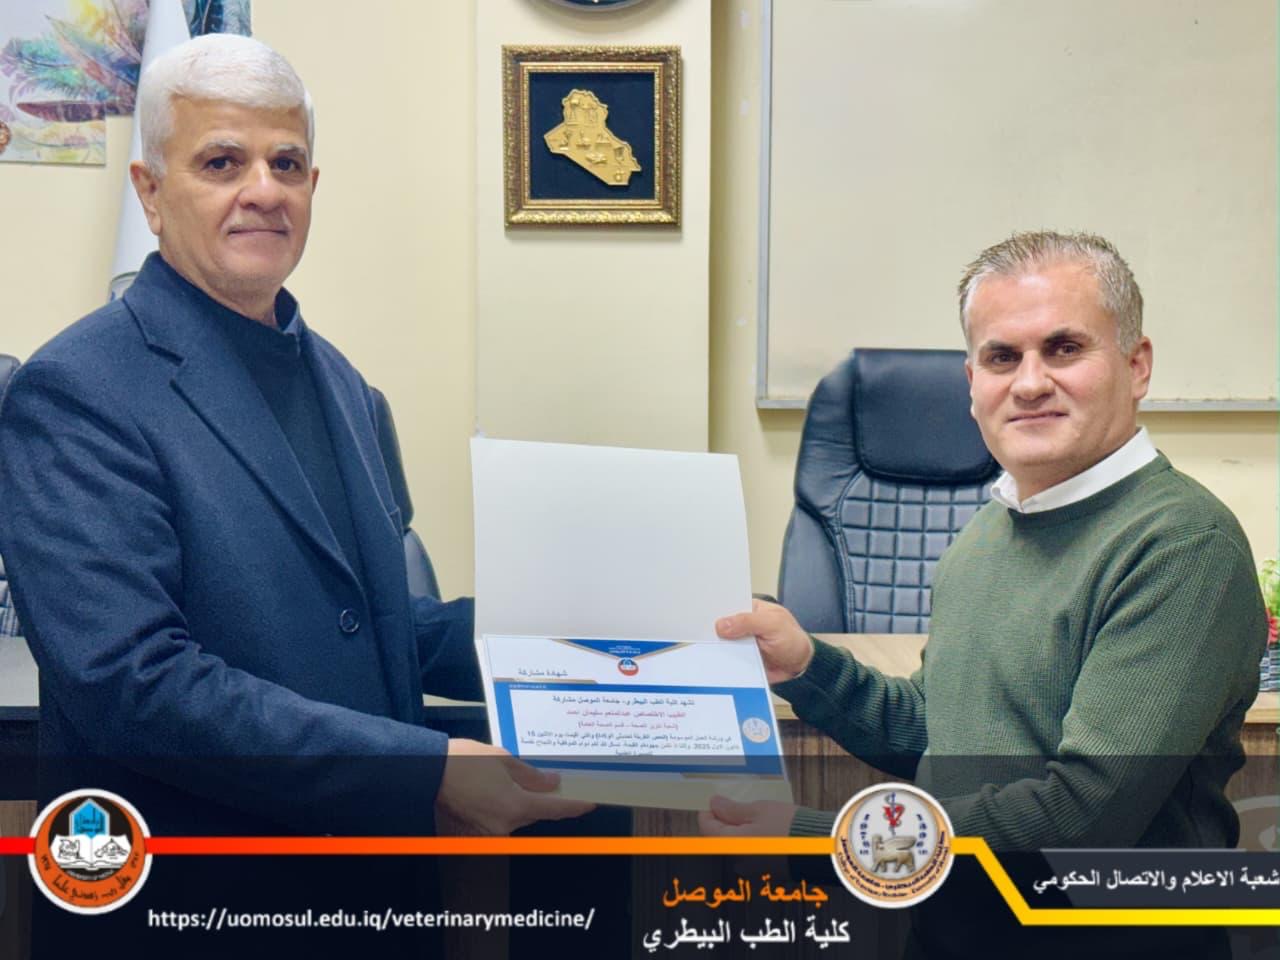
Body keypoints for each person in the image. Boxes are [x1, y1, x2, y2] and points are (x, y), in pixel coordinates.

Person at [0, 34, 592, 842]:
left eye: (286, 164)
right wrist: (418, 773)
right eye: (221, 163)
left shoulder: (343, 383)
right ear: (150, 192)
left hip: (366, 878)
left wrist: (589, 646)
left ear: (312, 187)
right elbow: (132, 685)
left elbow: (375, 625)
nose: (263, 191)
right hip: (199, 882)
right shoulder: (77, 391)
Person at [704, 231, 1267, 957]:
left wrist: (823, 842)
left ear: (1136, 366)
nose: (1029, 383)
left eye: (1064, 348)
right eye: (1002, 357)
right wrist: (806, 666)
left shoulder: (1182, 545)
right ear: (973, 383)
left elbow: (1082, 816)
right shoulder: (986, 534)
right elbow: (938, 734)